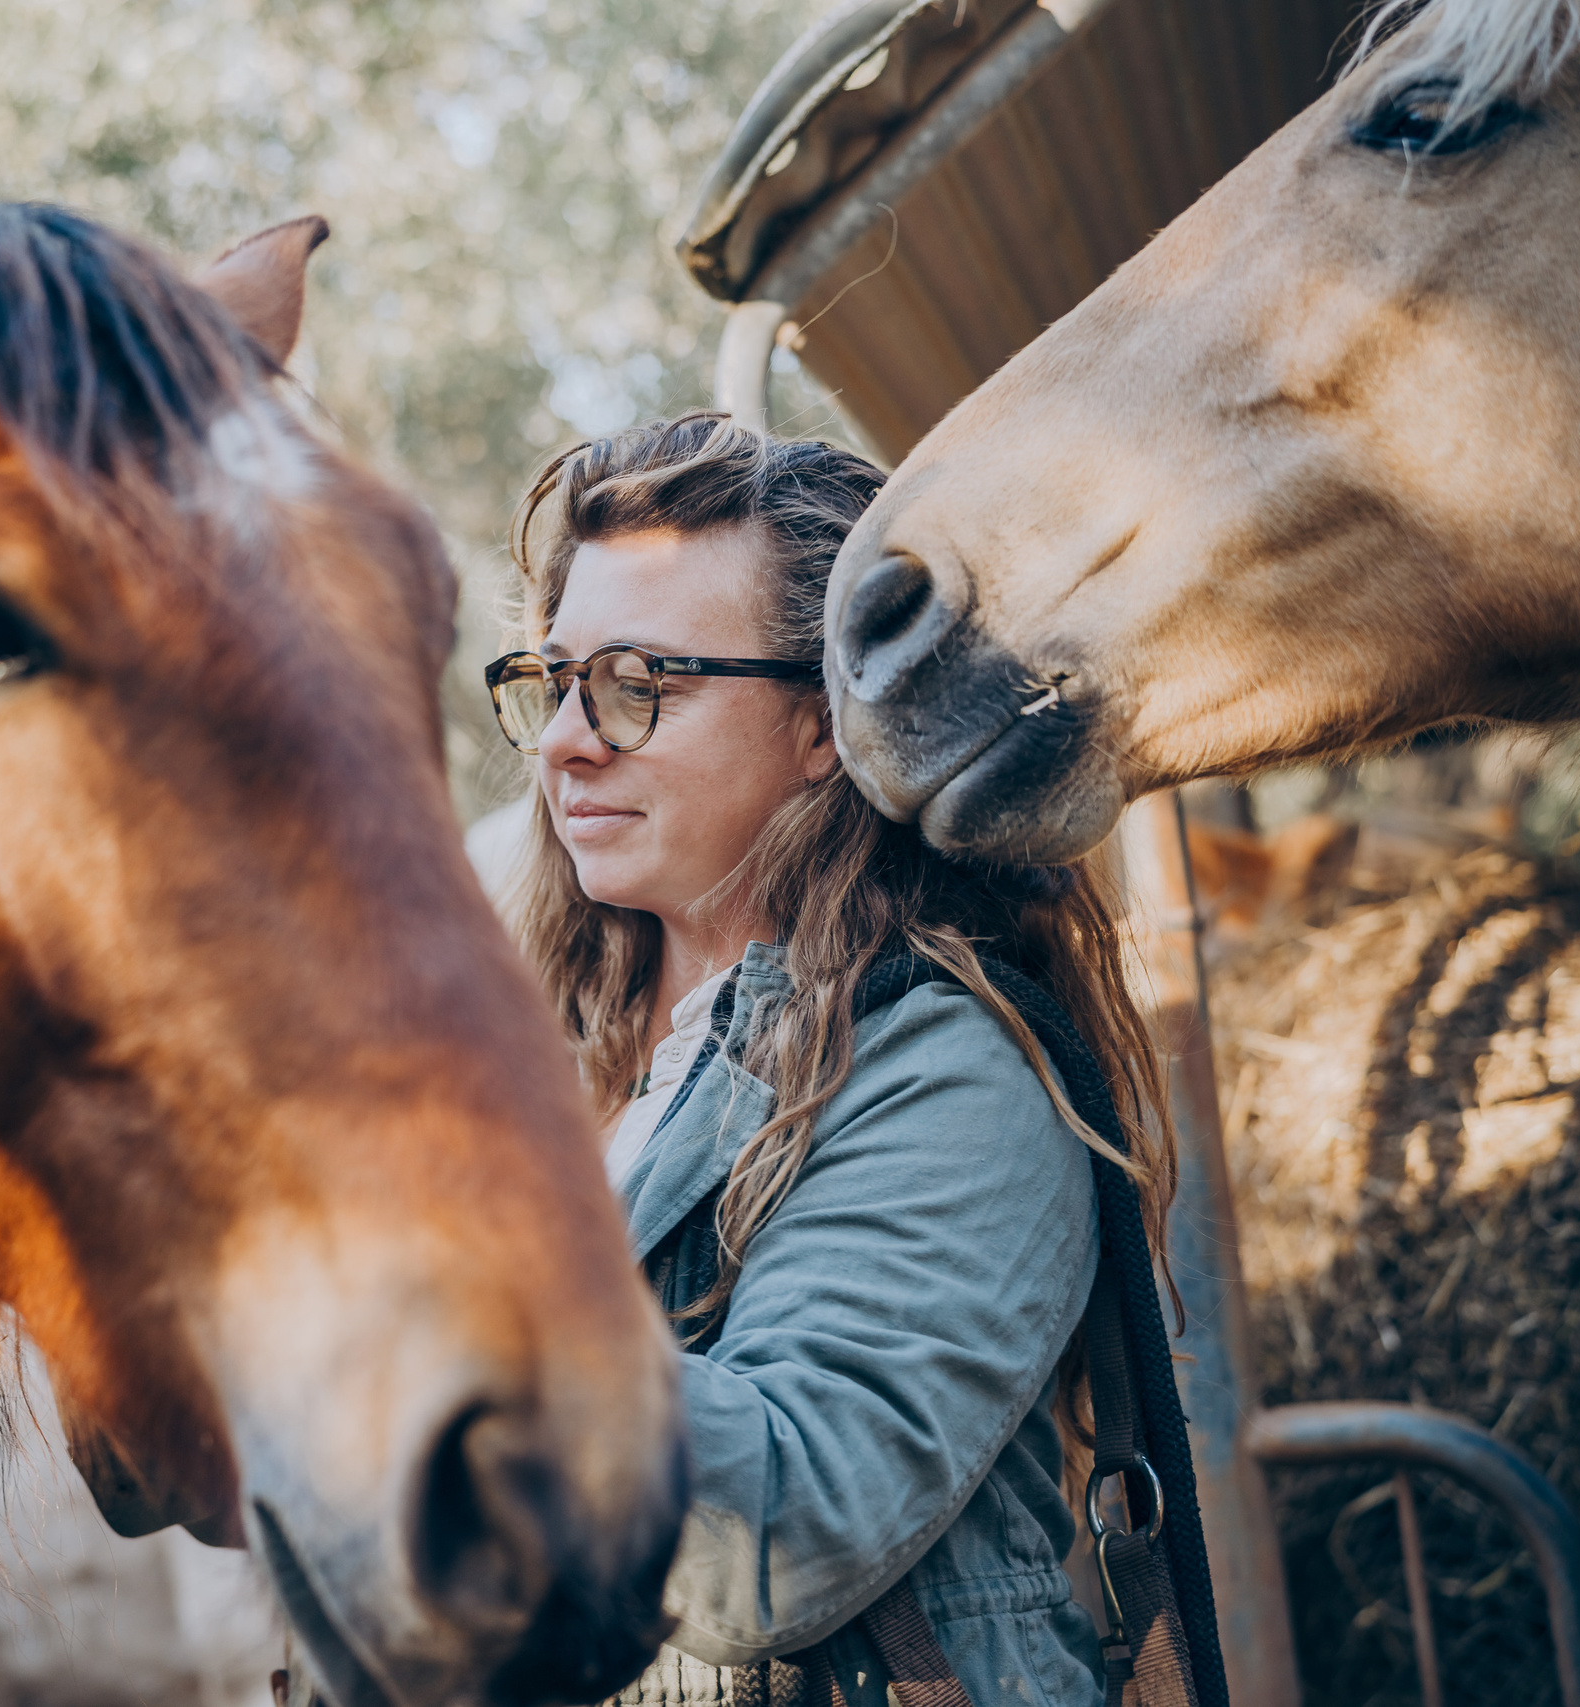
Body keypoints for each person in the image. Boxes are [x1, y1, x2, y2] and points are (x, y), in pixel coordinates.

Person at [484, 413, 1178, 1706]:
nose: (570, 739)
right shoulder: (541, 1066)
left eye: (639, 685)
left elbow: (783, 1536)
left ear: (824, 726)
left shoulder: (950, 1069)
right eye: (556, 679)